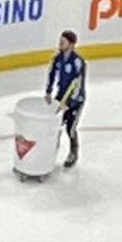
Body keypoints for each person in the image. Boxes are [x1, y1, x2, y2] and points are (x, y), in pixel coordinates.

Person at [44, 30, 87, 169]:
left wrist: (70, 103)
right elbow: (51, 73)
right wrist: (49, 91)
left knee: (71, 128)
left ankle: (73, 153)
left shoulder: (78, 62)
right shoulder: (58, 58)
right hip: (61, 97)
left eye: (63, 42)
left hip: (76, 100)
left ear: (71, 44)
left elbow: (79, 84)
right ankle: (50, 152)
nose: (60, 44)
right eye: (60, 41)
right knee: (54, 126)